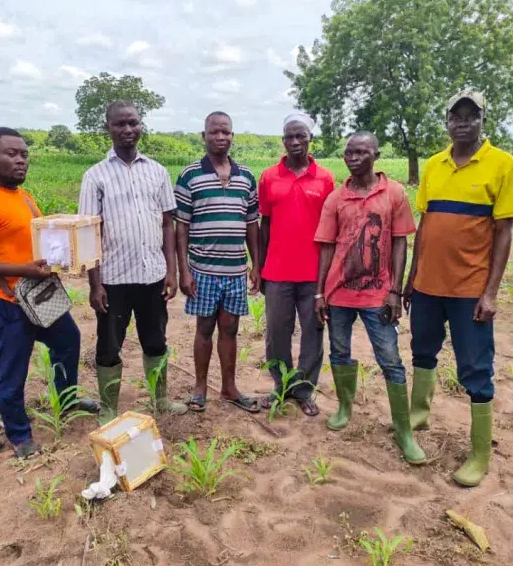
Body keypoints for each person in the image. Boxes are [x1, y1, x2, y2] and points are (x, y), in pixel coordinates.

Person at [0, 127, 98, 459]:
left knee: (68, 341)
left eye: (24, 154)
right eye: (11, 154)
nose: (20, 160)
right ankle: (20, 436)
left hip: (37, 293)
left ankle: (67, 399)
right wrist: (22, 270)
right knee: (12, 369)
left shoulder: (22, 196)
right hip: (7, 301)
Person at [403, 91, 513, 486]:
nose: (463, 122)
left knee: (475, 367)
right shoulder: (435, 165)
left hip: (470, 289)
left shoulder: (502, 165)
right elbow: (425, 226)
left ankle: (479, 454)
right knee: (422, 351)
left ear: (483, 120)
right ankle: (418, 416)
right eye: (457, 116)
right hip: (427, 287)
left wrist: (490, 293)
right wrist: (411, 279)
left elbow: (503, 233)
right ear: (447, 122)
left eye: (472, 116)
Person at [314, 132, 425, 465]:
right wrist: (320, 292)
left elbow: (400, 242)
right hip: (339, 293)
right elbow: (327, 246)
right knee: (339, 351)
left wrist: (395, 289)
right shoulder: (336, 198)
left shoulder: (393, 193)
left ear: (376, 154)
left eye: (361, 152)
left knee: (390, 358)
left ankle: (403, 430)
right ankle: (345, 406)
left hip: (378, 294)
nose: (353, 157)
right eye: (349, 152)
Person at [79, 101, 188, 425]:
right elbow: (88, 232)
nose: (128, 130)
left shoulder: (157, 172)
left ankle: (161, 399)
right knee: (109, 344)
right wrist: (95, 284)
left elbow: (167, 223)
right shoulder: (95, 176)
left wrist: (171, 270)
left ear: (141, 126)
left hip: (152, 274)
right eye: (120, 124)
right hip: (112, 278)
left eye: (133, 123)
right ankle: (110, 407)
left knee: (155, 339)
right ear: (108, 128)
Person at [174, 112, 261, 414]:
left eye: (226, 132)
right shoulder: (189, 175)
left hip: (235, 270)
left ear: (232, 136)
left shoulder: (246, 176)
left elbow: (252, 225)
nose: (221, 137)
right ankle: (199, 387)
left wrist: (256, 266)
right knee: (204, 328)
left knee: (230, 329)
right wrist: (183, 270)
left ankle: (229, 387)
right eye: (214, 132)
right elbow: (181, 226)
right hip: (202, 270)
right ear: (204, 136)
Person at [259, 113, 334, 416]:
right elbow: (264, 223)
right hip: (277, 271)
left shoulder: (325, 178)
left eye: (300, 136)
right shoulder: (269, 177)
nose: (294, 142)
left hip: (313, 274)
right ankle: (281, 386)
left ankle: (304, 391)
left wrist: (328, 276)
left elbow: (331, 228)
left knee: (313, 332)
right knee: (277, 332)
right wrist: (260, 265)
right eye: (289, 136)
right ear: (283, 141)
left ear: (309, 139)